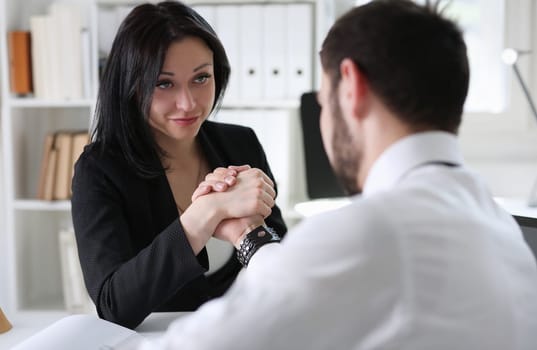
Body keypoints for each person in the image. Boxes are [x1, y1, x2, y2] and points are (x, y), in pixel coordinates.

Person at [137, 1, 537, 349]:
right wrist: (247, 236)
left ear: (351, 87)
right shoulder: (504, 232)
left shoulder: (368, 232)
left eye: (325, 102)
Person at [70, 1, 287, 329]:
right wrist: (203, 216)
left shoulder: (241, 144)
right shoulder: (99, 170)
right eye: (164, 83)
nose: (188, 103)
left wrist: (247, 234)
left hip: (249, 331)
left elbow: (282, 262)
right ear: (130, 85)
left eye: (201, 78)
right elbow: (114, 306)